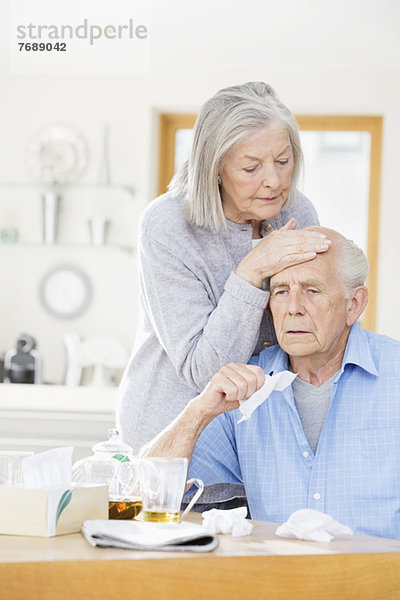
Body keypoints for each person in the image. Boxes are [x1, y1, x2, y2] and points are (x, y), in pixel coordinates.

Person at [117, 82, 329, 508]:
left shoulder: (295, 212)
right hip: (177, 438)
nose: (273, 180)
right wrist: (252, 271)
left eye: (283, 161)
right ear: (215, 167)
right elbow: (201, 370)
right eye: (251, 167)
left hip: (258, 440)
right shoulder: (167, 225)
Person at [143, 227, 400, 540]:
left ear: (354, 304)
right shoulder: (246, 387)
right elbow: (144, 495)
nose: (293, 307)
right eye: (280, 291)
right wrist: (197, 414)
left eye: (312, 290)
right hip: (279, 583)